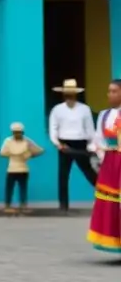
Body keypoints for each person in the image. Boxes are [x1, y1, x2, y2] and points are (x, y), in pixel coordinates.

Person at [48, 78, 97, 212]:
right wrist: (57, 143)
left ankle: (107, 197)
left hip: (80, 143)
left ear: (75, 94)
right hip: (64, 144)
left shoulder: (84, 109)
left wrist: (92, 145)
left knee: (89, 173)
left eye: (71, 93)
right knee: (63, 175)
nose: (69, 96)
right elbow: (53, 129)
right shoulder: (57, 110)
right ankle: (63, 205)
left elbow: (90, 130)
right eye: (67, 94)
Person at [88, 79, 121, 255]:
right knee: (111, 203)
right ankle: (115, 242)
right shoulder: (104, 115)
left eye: (114, 91)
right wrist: (101, 156)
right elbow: (98, 139)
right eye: (109, 91)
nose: (110, 94)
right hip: (110, 162)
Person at [0, 122, 43, 214]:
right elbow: (2, 153)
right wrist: (13, 154)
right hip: (11, 168)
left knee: (23, 188)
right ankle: (7, 205)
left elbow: (39, 150)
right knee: (9, 188)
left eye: (19, 132)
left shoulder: (27, 141)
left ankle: (23, 205)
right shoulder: (8, 141)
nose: (17, 134)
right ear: (12, 132)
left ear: (22, 132)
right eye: (15, 132)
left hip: (23, 168)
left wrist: (30, 154)